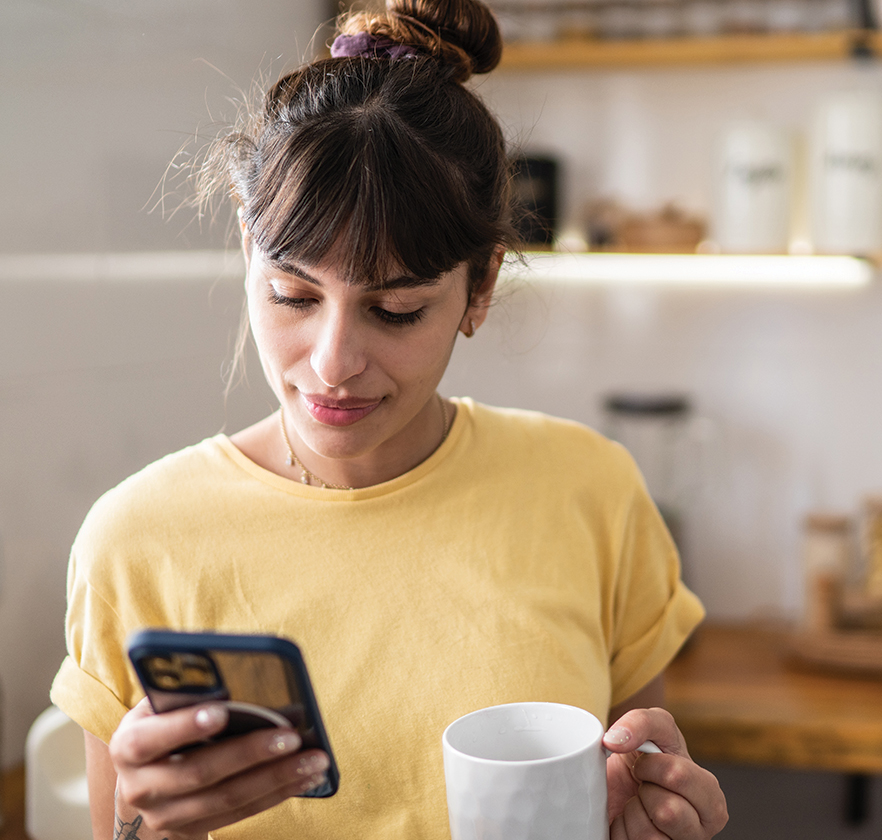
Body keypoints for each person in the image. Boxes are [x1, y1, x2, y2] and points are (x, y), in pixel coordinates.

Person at [49, 1, 729, 838]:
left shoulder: (591, 492)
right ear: (244, 243)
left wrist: (658, 821)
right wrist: (141, 832)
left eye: (397, 309)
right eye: (293, 294)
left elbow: (624, 791)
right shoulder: (135, 539)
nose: (332, 362)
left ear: (479, 287)